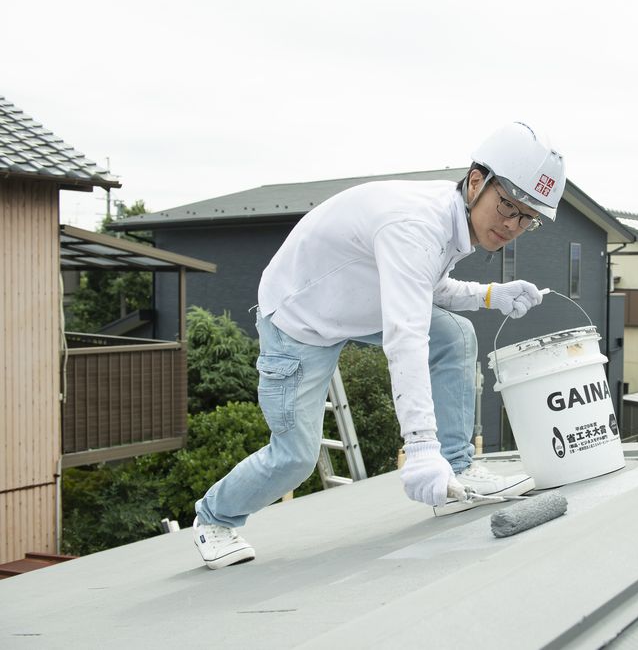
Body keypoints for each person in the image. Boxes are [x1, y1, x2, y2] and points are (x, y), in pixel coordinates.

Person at [193, 121, 566, 569]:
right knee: (294, 458)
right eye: (507, 205)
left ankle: (458, 467)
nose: (512, 224)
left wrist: (490, 295)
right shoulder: (415, 225)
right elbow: (406, 337)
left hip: (355, 306)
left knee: (455, 335)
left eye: (528, 217)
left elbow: (428, 286)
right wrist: (421, 449)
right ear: (475, 181)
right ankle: (214, 518)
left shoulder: (452, 223)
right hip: (299, 322)